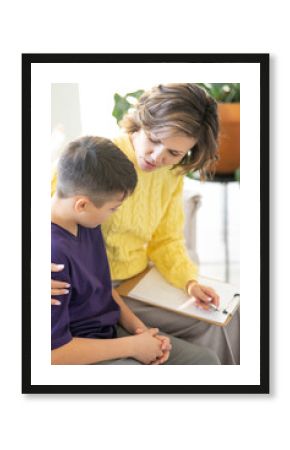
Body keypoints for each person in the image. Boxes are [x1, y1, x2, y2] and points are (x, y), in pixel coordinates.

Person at [51, 83, 240, 364]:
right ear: (141, 123)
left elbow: (167, 239)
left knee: (227, 318)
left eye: (174, 153)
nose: (158, 157)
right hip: (93, 286)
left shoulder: (170, 175)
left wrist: (188, 281)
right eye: (154, 139)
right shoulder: (95, 162)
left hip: (132, 280)